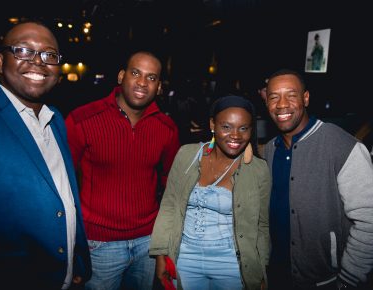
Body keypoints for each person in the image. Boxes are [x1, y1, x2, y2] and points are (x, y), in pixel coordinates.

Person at [0, 21, 91, 290]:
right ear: (0, 60)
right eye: (24, 51)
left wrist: (77, 257)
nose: (38, 62)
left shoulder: (56, 118)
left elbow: (66, 194)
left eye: (49, 55)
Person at [65, 50, 180, 290]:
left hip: (147, 243)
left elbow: (172, 185)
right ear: (120, 76)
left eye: (151, 77)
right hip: (99, 244)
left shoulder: (167, 128)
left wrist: (164, 243)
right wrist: (73, 245)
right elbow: (62, 184)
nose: (142, 82)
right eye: (135, 73)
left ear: (159, 87)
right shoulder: (82, 119)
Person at [264, 69, 373, 290]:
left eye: (291, 95)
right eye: (274, 97)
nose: (281, 104)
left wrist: (349, 279)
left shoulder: (341, 146)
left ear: (305, 98)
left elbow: (369, 220)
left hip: (327, 281)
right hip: (277, 276)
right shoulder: (269, 149)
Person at [150, 95, 271, 290]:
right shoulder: (187, 155)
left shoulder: (257, 169)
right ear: (212, 125)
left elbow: (262, 225)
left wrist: (261, 269)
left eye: (243, 128)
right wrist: (160, 253)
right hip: (185, 258)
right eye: (226, 127)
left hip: (231, 262)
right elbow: (169, 206)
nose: (235, 135)